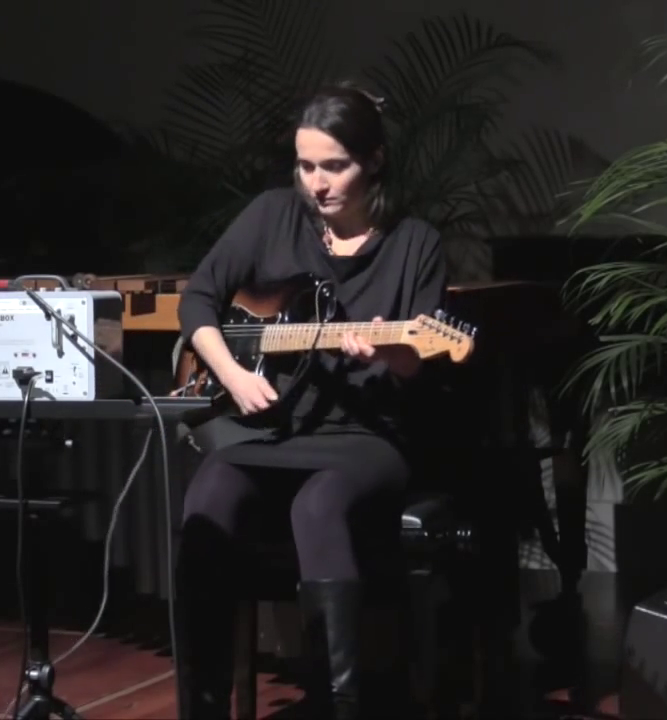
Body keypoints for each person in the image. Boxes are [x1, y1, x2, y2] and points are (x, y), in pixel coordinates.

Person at [173, 82, 448, 719]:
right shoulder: (274, 215)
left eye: (334, 166)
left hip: (368, 436)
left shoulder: (415, 243)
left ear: (373, 161)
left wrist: (387, 350)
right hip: (272, 427)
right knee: (209, 494)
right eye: (305, 166)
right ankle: (202, 707)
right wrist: (232, 376)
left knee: (319, 505)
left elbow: (416, 365)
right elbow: (198, 300)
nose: (316, 184)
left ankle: (336, 706)